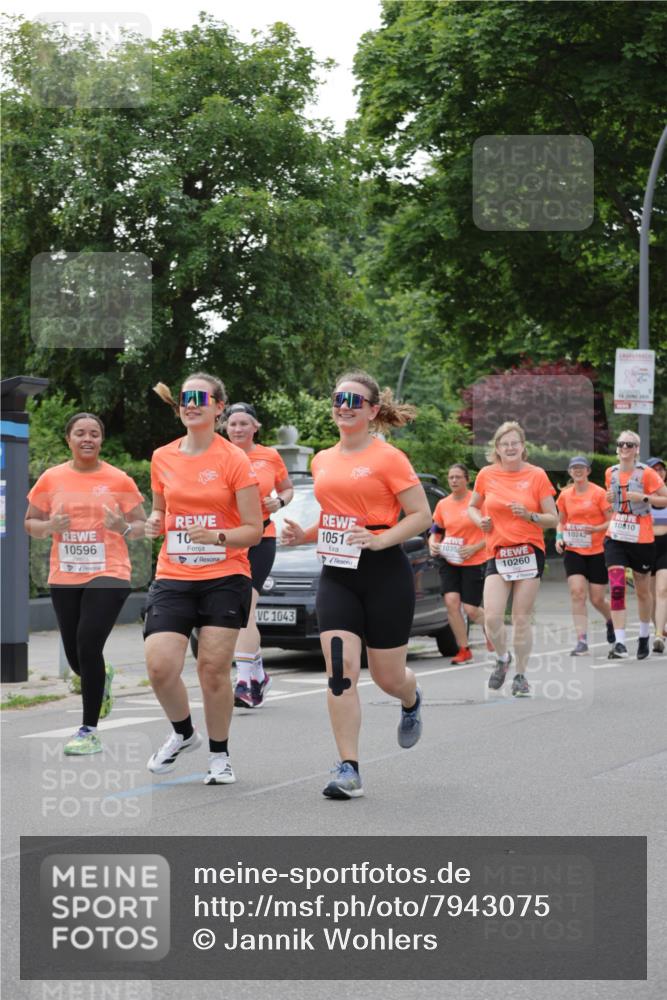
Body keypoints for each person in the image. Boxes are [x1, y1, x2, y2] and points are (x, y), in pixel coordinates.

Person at [282, 370, 431, 800]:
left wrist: (381, 539)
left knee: (387, 676)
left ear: (371, 410)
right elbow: (336, 517)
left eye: (353, 400)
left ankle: (411, 696)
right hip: (337, 575)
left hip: (385, 572)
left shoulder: (389, 458)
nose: (343, 406)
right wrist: (305, 535)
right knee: (340, 671)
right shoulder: (323, 459)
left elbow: (421, 514)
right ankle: (349, 767)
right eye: (337, 398)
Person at [144, 373, 262, 784]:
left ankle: (219, 755)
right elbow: (160, 510)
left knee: (212, 669)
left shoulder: (234, 459)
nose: (190, 404)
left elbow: (254, 528)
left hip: (224, 574)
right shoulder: (162, 457)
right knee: (160, 666)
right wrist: (154, 522)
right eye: (184, 398)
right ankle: (183, 733)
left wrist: (216, 536)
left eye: (200, 398)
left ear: (218, 407)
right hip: (174, 573)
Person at [25, 413, 146, 754]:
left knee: (88, 643)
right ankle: (101, 675)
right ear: (69, 439)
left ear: (101, 440)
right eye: (80, 433)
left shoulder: (118, 479)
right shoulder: (52, 478)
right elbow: (30, 522)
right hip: (65, 573)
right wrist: (49, 527)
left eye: (94, 433)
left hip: (109, 570)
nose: (87, 438)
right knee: (77, 656)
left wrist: (122, 525)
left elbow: (142, 526)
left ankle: (88, 730)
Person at [468, 421, 558, 696]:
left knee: (520, 618)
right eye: (504, 443)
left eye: (514, 443)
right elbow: (472, 506)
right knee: (492, 617)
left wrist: (529, 515)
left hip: (529, 551)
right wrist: (479, 520)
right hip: (498, 551)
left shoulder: (537, 475)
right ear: (497, 448)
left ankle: (520, 674)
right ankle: (502, 658)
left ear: (523, 447)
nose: (510, 448)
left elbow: (553, 518)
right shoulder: (486, 474)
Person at [225, 401, 293, 707]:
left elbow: (287, 489)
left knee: (245, 606)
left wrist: (280, 501)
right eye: (233, 424)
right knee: (238, 611)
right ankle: (259, 676)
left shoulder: (270, 456)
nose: (238, 429)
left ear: (256, 427)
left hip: (262, 538)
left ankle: (243, 682)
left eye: (244, 423)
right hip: (229, 540)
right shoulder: (218, 456)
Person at [604, 432, 667, 660]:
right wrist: (609, 499)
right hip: (616, 535)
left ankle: (643, 635)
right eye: (621, 443)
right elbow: (610, 501)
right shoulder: (610, 472)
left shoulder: (647, 473)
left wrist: (644, 498)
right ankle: (619, 642)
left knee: (642, 591)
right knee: (617, 585)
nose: (624, 447)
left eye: (629, 444)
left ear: (637, 449)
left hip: (641, 538)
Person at [428, 463, 489, 663]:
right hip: (450, 560)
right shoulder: (443, 504)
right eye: (451, 477)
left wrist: (474, 548)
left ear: (466, 479)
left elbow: (493, 533)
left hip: (475, 560)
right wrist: (433, 544)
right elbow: (436, 531)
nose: (454, 481)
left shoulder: (478, 502)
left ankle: (491, 630)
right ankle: (464, 649)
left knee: (471, 609)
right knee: (451, 603)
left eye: (458, 477)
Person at [555, 456, 614, 655]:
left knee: (597, 599)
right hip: (574, 550)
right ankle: (582, 641)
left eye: (581, 468)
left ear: (588, 471)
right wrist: (558, 537)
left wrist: (595, 528)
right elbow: (561, 521)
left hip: (597, 550)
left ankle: (610, 620)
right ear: (570, 472)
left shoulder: (599, 493)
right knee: (577, 593)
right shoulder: (564, 496)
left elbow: (612, 521)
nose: (578, 471)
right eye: (574, 468)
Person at [647, 457, 667, 652]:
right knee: (650, 595)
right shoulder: (640, 497)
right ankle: (658, 627)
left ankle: (659, 635)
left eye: (661, 470)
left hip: (666, 546)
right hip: (646, 546)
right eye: (654, 470)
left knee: (662, 590)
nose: (659, 473)